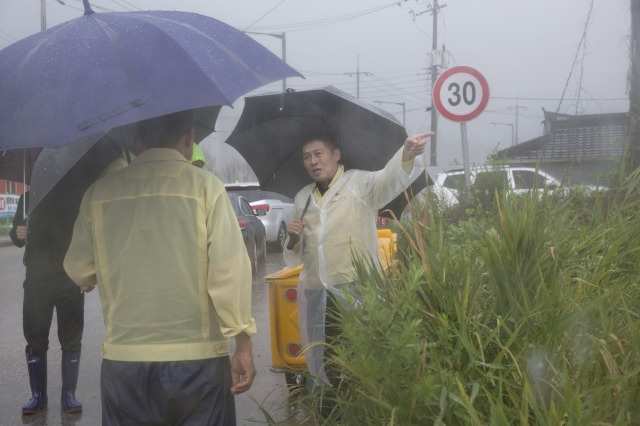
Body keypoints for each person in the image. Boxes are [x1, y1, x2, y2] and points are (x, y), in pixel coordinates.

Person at [63, 110, 256, 425]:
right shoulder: (207, 188)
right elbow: (229, 270)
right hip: (199, 360)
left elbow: (79, 269)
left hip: (124, 361)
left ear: (138, 141)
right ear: (190, 136)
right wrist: (243, 345)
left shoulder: (99, 193)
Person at [283, 129, 433, 415]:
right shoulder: (302, 198)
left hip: (355, 293)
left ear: (335, 155)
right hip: (317, 296)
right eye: (307, 157)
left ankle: (362, 415)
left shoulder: (359, 184)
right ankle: (330, 416)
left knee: (361, 360)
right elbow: (293, 256)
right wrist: (293, 236)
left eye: (319, 154)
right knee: (325, 363)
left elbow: (387, 180)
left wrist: (406, 155)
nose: (313, 161)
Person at [10, 187, 89, 415]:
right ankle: (38, 396)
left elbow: (86, 235)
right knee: (35, 337)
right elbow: (16, 237)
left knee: (72, 337)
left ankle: (68, 396)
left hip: (69, 277)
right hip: (37, 279)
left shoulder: (75, 193)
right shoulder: (28, 199)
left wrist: (85, 272)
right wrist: (18, 233)